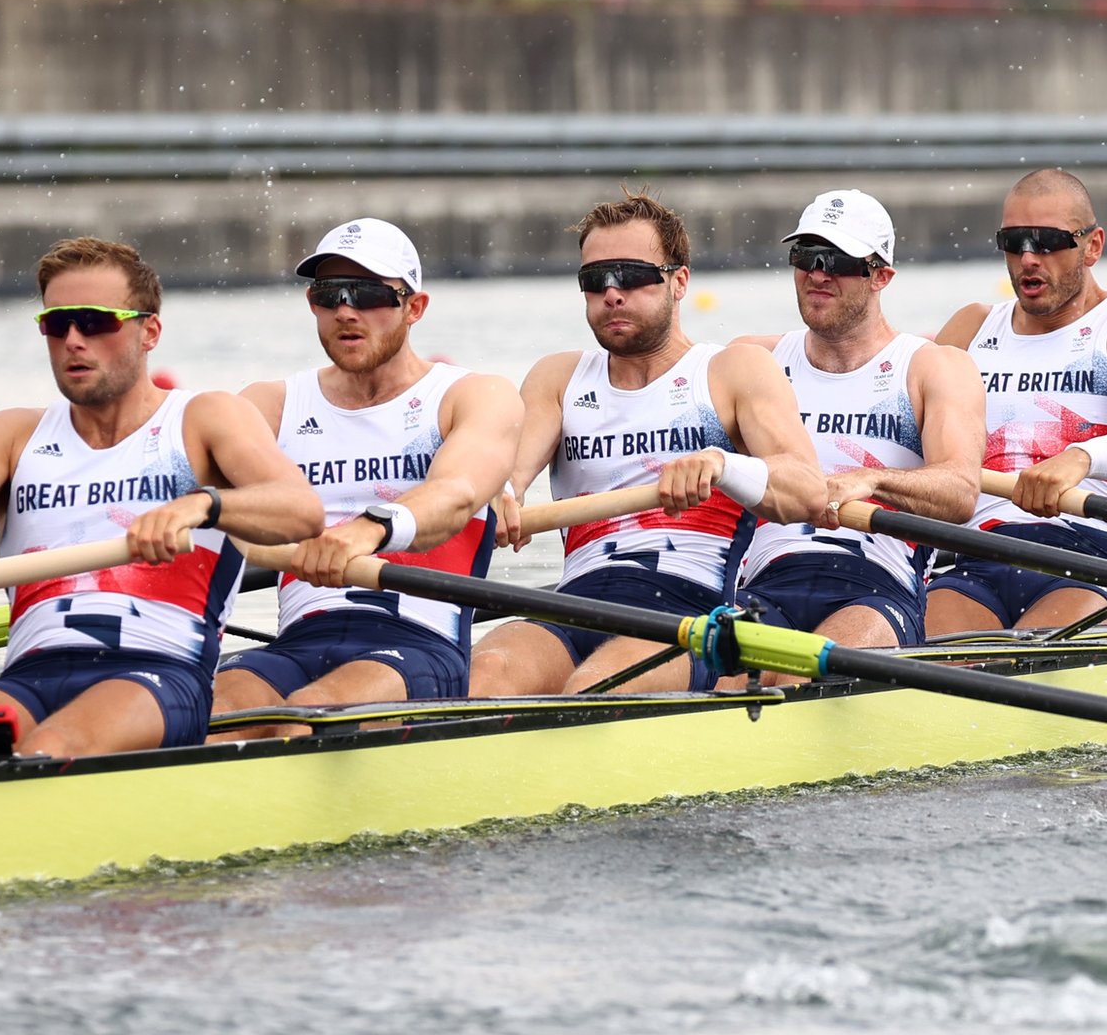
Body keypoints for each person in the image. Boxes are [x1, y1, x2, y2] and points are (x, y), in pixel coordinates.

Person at [0, 237, 323, 757]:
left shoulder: (204, 419)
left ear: (149, 331)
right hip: (29, 676)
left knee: (53, 745)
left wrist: (204, 505)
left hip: (156, 676)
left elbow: (302, 510)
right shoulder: (13, 436)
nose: (72, 340)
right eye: (56, 323)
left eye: (94, 322)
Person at [468, 188, 825, 695]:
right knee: (483, 674)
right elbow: (507, 472)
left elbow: (808, 491)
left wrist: (722, 465)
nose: (613, 293)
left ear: (679, 282)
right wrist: (499, 493)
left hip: (691, 613)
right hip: (575, 603)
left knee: (592, 688)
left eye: (633, 276)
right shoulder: (558, 378)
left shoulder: (731, 371)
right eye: (596, 281)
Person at [212, 219, 521, 734]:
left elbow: (456, 493)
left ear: (414, 307)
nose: (346, 311)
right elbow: (187, 503)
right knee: (215, 712)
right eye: (329, 294)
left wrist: (367, 529)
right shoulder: (268, 405)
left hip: (417, 646)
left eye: (370, 294)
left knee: (301, 719)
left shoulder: (470, 396)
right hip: (297, 641)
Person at [927, 169, 1107, 633]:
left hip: (1089, 560)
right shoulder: (971, 327)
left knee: (1021, 659)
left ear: (1093, 245)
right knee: (932, 660)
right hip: (976, 560)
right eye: (1013, 241)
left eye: (1046, 241)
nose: (1028, 258)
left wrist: (1080, 458)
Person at [732, 189, 984, 656]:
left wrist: (868, 480)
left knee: (792, 670)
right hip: (763, 581)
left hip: (874, 587)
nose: (817, 274)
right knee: (727, 677)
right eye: (805, 255)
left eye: (839, 261)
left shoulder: (932, 368)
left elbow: (961, 491)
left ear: (881, 276)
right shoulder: (754, 360)